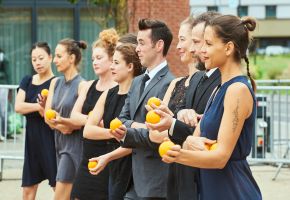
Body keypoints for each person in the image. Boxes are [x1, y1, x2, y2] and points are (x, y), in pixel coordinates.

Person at [148, 15, 262, 200]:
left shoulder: (237, 90)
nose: (201, 50)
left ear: (228, 48)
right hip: (210, 190)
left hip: (233, 191)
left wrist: (177, 155)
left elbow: (220, 158)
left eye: (208, 44)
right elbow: (194, 140)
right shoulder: (219, 89)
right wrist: (185, 142)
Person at [110, 18, 174, 200]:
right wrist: (142, 126)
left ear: (159, 45)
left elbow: (159, 134)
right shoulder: (137, 81)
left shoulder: (170, 83)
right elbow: (121, 119)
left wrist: (127, 131)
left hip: (156, 182)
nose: (136, 48)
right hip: (132, 180)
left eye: (141, 43)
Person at [85, 43, 143, 200]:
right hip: (114, 165)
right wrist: (113, 133)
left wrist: (122, 138)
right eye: (112, 62)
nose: (111, 67)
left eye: (116, 63)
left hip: (133, 166)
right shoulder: (108, 94)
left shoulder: (139, 96)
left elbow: (140, 138)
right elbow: (88, 130)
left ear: (130, 66)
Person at [70, 28, 119, 200]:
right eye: (93, 59)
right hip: (87, 154)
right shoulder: (88, 85)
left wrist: (92, 124)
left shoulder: (117, 90)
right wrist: (92, 121)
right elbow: (74, 116)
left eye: (99, 58)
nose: (95, 62)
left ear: (112, 59)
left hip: (107, 154)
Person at [44, 38, 87, 200]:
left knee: (60, 197)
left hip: (74, 149)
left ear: (72, 58)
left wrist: (61, 122)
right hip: (58, 145)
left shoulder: (83, 85)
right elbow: (48, 116)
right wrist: (62, 125)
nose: (54, 60)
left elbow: (78, 123)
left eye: (58, 56)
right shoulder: (55, 82)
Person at [14, 42, 57, 200]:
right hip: (32, 143)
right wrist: (38, 108)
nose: (37, 62)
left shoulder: (55, 82)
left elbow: (53, 112)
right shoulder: (27, 80)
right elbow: (18, 106)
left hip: (51, 140)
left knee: (58, 188)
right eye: (34, 59)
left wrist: (41, 109)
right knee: (27, 190)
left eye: (41, 58)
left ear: (50, 58)